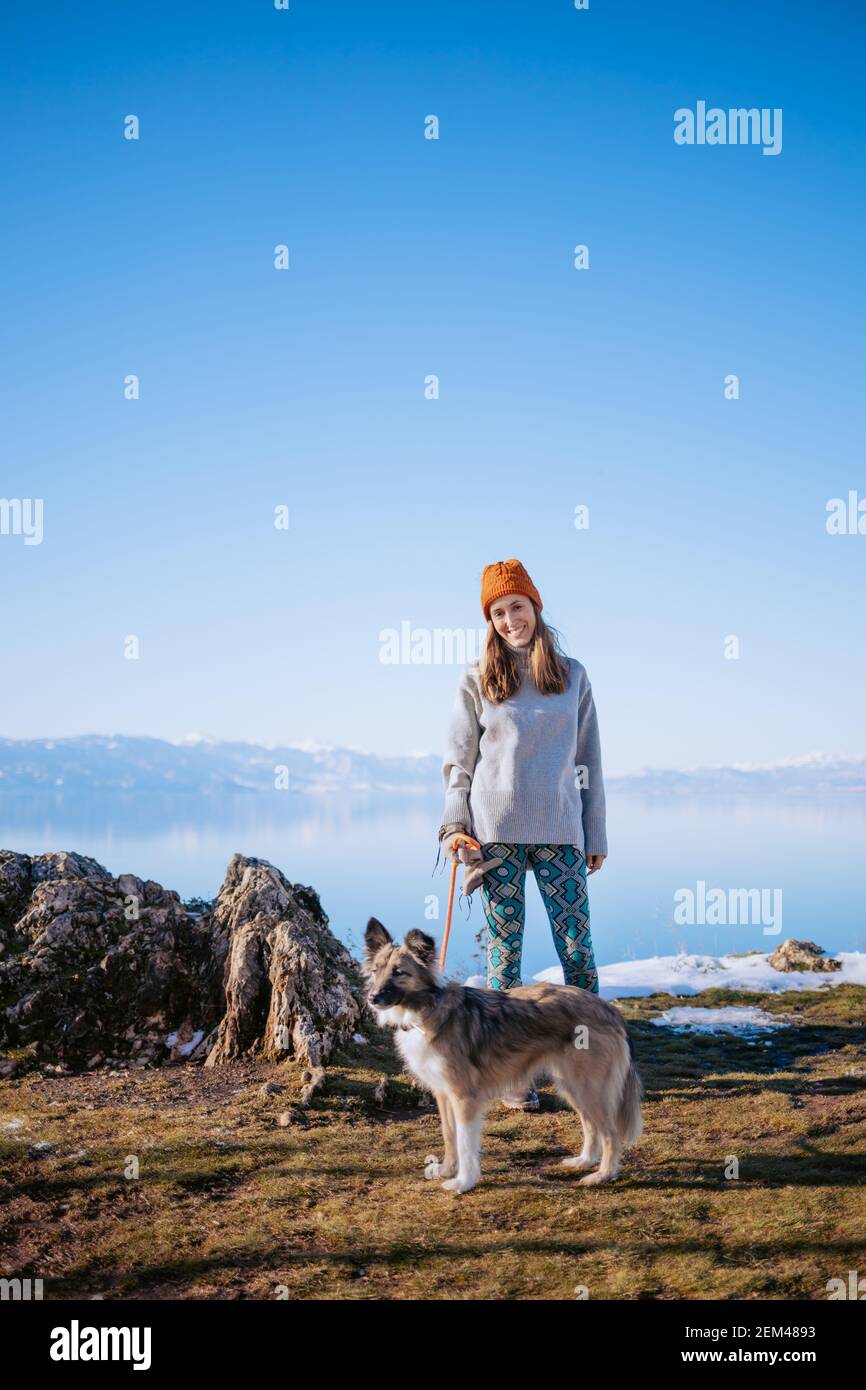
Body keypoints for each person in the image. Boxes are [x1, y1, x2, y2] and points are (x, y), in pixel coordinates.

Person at [438, 558, 608, 1110]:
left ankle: (591, 1057)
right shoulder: (476, 677)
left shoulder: (572, 675)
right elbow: (459, 762)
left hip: (561, 833)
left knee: (577, 951)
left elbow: (589, 760)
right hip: (497, 836)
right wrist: (454, 826)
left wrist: (594, 832)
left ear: (535, 606)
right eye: (498, 612)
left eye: (518, 606)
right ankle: (512, 1077)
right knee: (504, 962)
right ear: (490, 621)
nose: (511, 620)